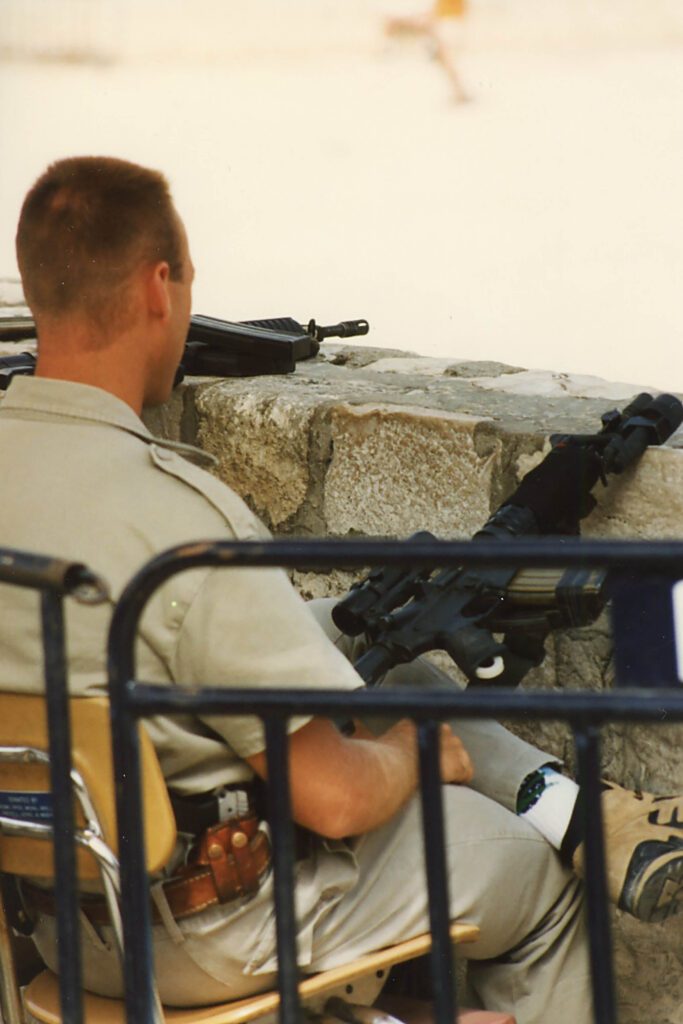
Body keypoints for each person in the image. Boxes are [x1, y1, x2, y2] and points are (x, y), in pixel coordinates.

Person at [0, 156, 679, 1023]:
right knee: (536, 884)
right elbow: (334, 798)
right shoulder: (179, 524)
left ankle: (582, 815)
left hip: (56, 920)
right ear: (157, 287)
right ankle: (562, 833)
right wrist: (416, 757)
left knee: (356, 641)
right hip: (208, 932)